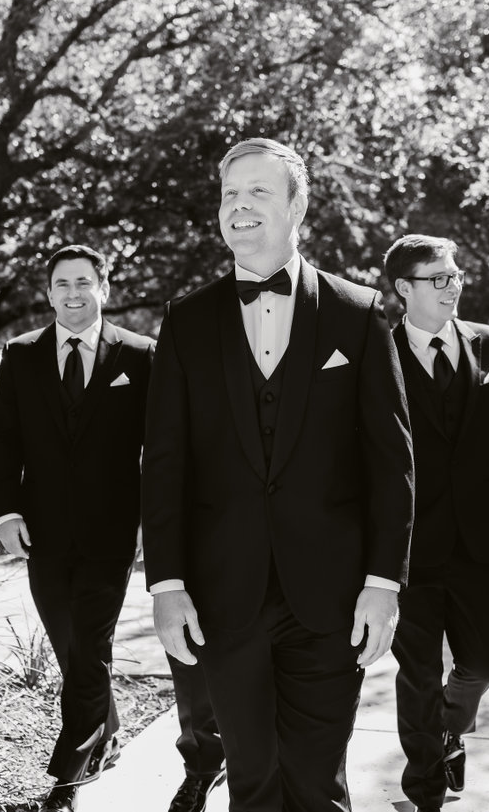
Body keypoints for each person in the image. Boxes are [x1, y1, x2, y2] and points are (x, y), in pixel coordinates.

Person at [142, 137, 415, 812]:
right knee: (253, 779)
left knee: (318, 783)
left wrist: (383, 582)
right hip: (222, 596)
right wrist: (167, 584)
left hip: (331, 595)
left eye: (258, 192)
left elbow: (391, 461)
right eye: (230, 194)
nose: (240, 206)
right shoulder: (186, 321)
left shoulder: (358, 313)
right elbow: (166, 462)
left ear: (297, 206)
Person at [0, 244, 221, 812]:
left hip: (112, 532)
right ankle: (107, 729)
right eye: (62, 284)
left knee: (89, 647)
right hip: (41, 532)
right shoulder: (21, 353)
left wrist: (152, 522)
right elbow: (4, 440)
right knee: (70, 646)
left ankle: (67, 777)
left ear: (104, 289)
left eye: (83, 282)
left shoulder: (140, 354)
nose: (73, 293)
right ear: (49, 294)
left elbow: (160, 448)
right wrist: (7, 512)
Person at [381, 234, 489, 810]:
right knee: (417, 672)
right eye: (438, 278)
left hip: (476, 538)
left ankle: (450, 725)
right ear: (404, 289)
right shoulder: (378, 352)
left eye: (455, 275)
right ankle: (425, 789)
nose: (452, 286)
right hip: (408, 544)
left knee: (484, 659)